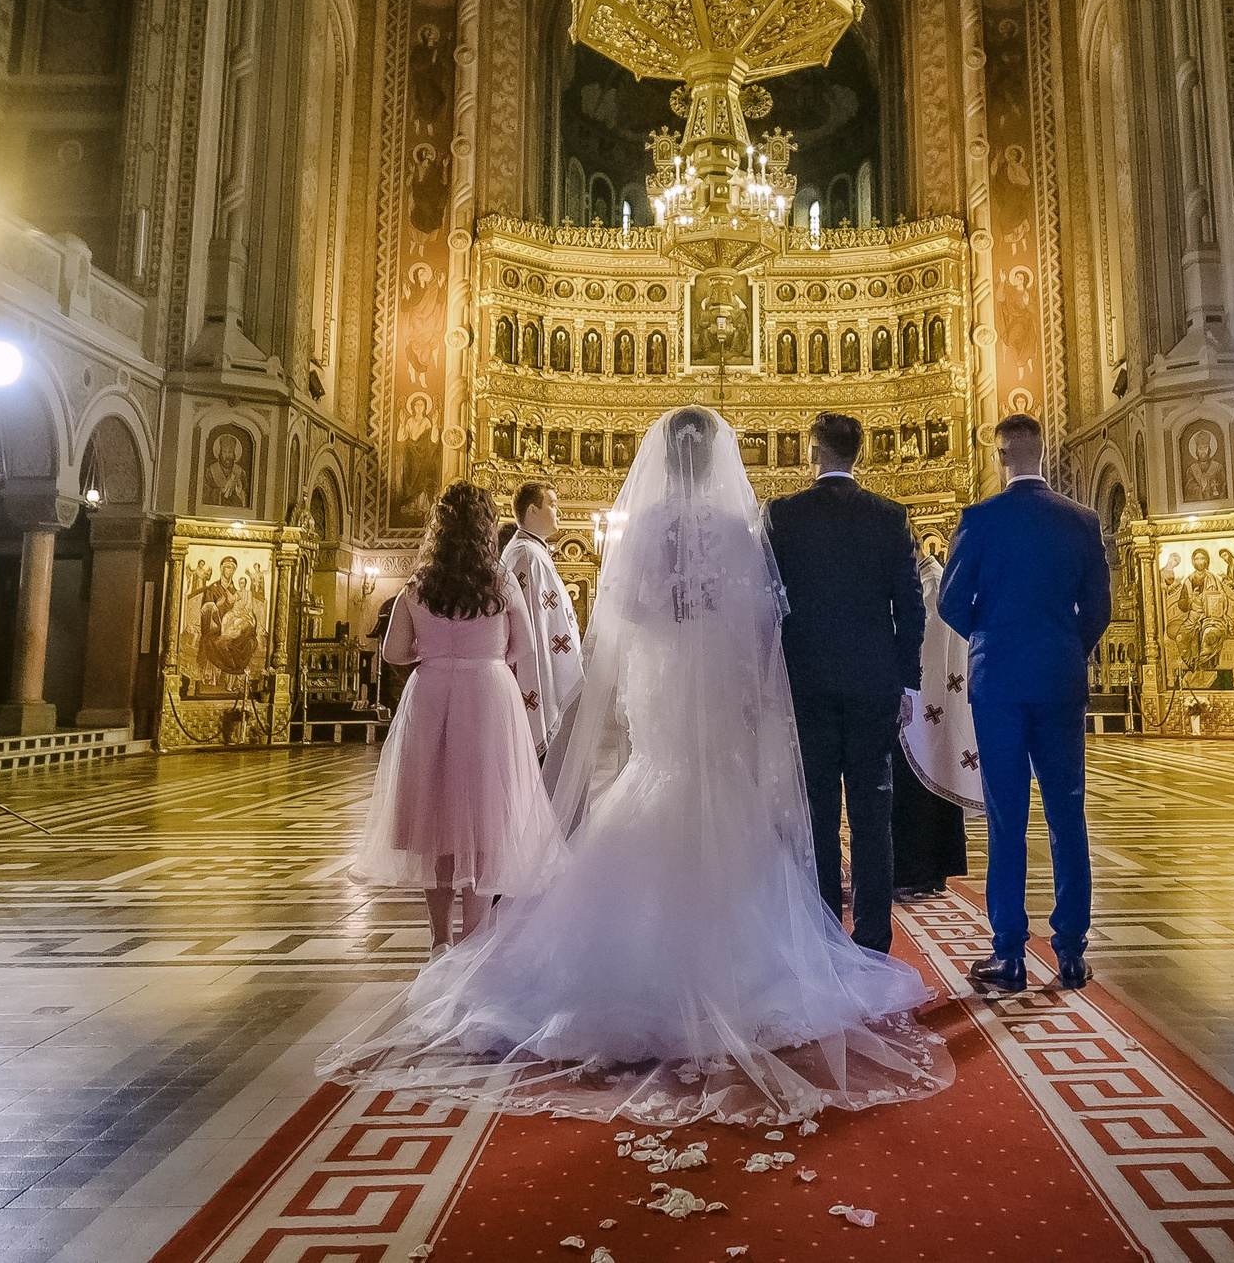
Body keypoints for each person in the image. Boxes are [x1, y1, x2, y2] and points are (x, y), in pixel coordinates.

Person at [325, 409, 948, 1127]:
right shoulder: (741, 531)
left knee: (653, 797)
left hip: (664, 700)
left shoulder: (645, 528)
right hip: (717, 699)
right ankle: (755, 970)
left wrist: (658, 659)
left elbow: (626, 620)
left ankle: (625, 977)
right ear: (716, 458)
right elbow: (760, 624)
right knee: (738, 819)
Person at [350, 482, 569, 954]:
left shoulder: (418, 583)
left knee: (437, 823)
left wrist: (431, 654)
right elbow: (524, 646)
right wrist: (485, 656)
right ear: (485, 527)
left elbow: (392, 652)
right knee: (487, 819)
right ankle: (474, 940)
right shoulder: (499, 580)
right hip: (488, 697)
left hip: (430, 696)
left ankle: (438, 941)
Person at [937, 412, 1110, 994]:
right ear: (1043, 452)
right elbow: (1099, 609)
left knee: (1007, 816)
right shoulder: (1081, 522)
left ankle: (1009, 954)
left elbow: (950, 601)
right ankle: (1072, 953)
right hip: (1060, 677)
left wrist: (990, 636)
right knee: (1068, 813)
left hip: (1000, 682)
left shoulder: (981, 519)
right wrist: (1064, 646)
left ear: (1000, 455)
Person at [764, 411, 928, 953]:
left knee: (816, 814)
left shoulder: (783, 516)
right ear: (858, 454)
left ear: (813, 452)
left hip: (805, 685)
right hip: (872, 686)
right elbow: (911, 607)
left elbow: (767, 604)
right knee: (872, 813)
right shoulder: (889, 517)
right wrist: (907, 683)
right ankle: (875, 939)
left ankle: (825, 936)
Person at [892, 545, 977, 899]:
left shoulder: (930, 586)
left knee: (915, 790)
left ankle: (915, 871)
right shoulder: (935, 581)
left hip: (923, 705)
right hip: (937, 704)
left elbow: (917, 640)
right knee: (933, 782)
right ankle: (934, 870)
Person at [497, 480, 582, 753]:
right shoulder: (527, 556)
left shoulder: (531, 550)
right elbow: (534, 624)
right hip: (533, 668)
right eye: (553, 504)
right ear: (532, 510)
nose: (559, 511)